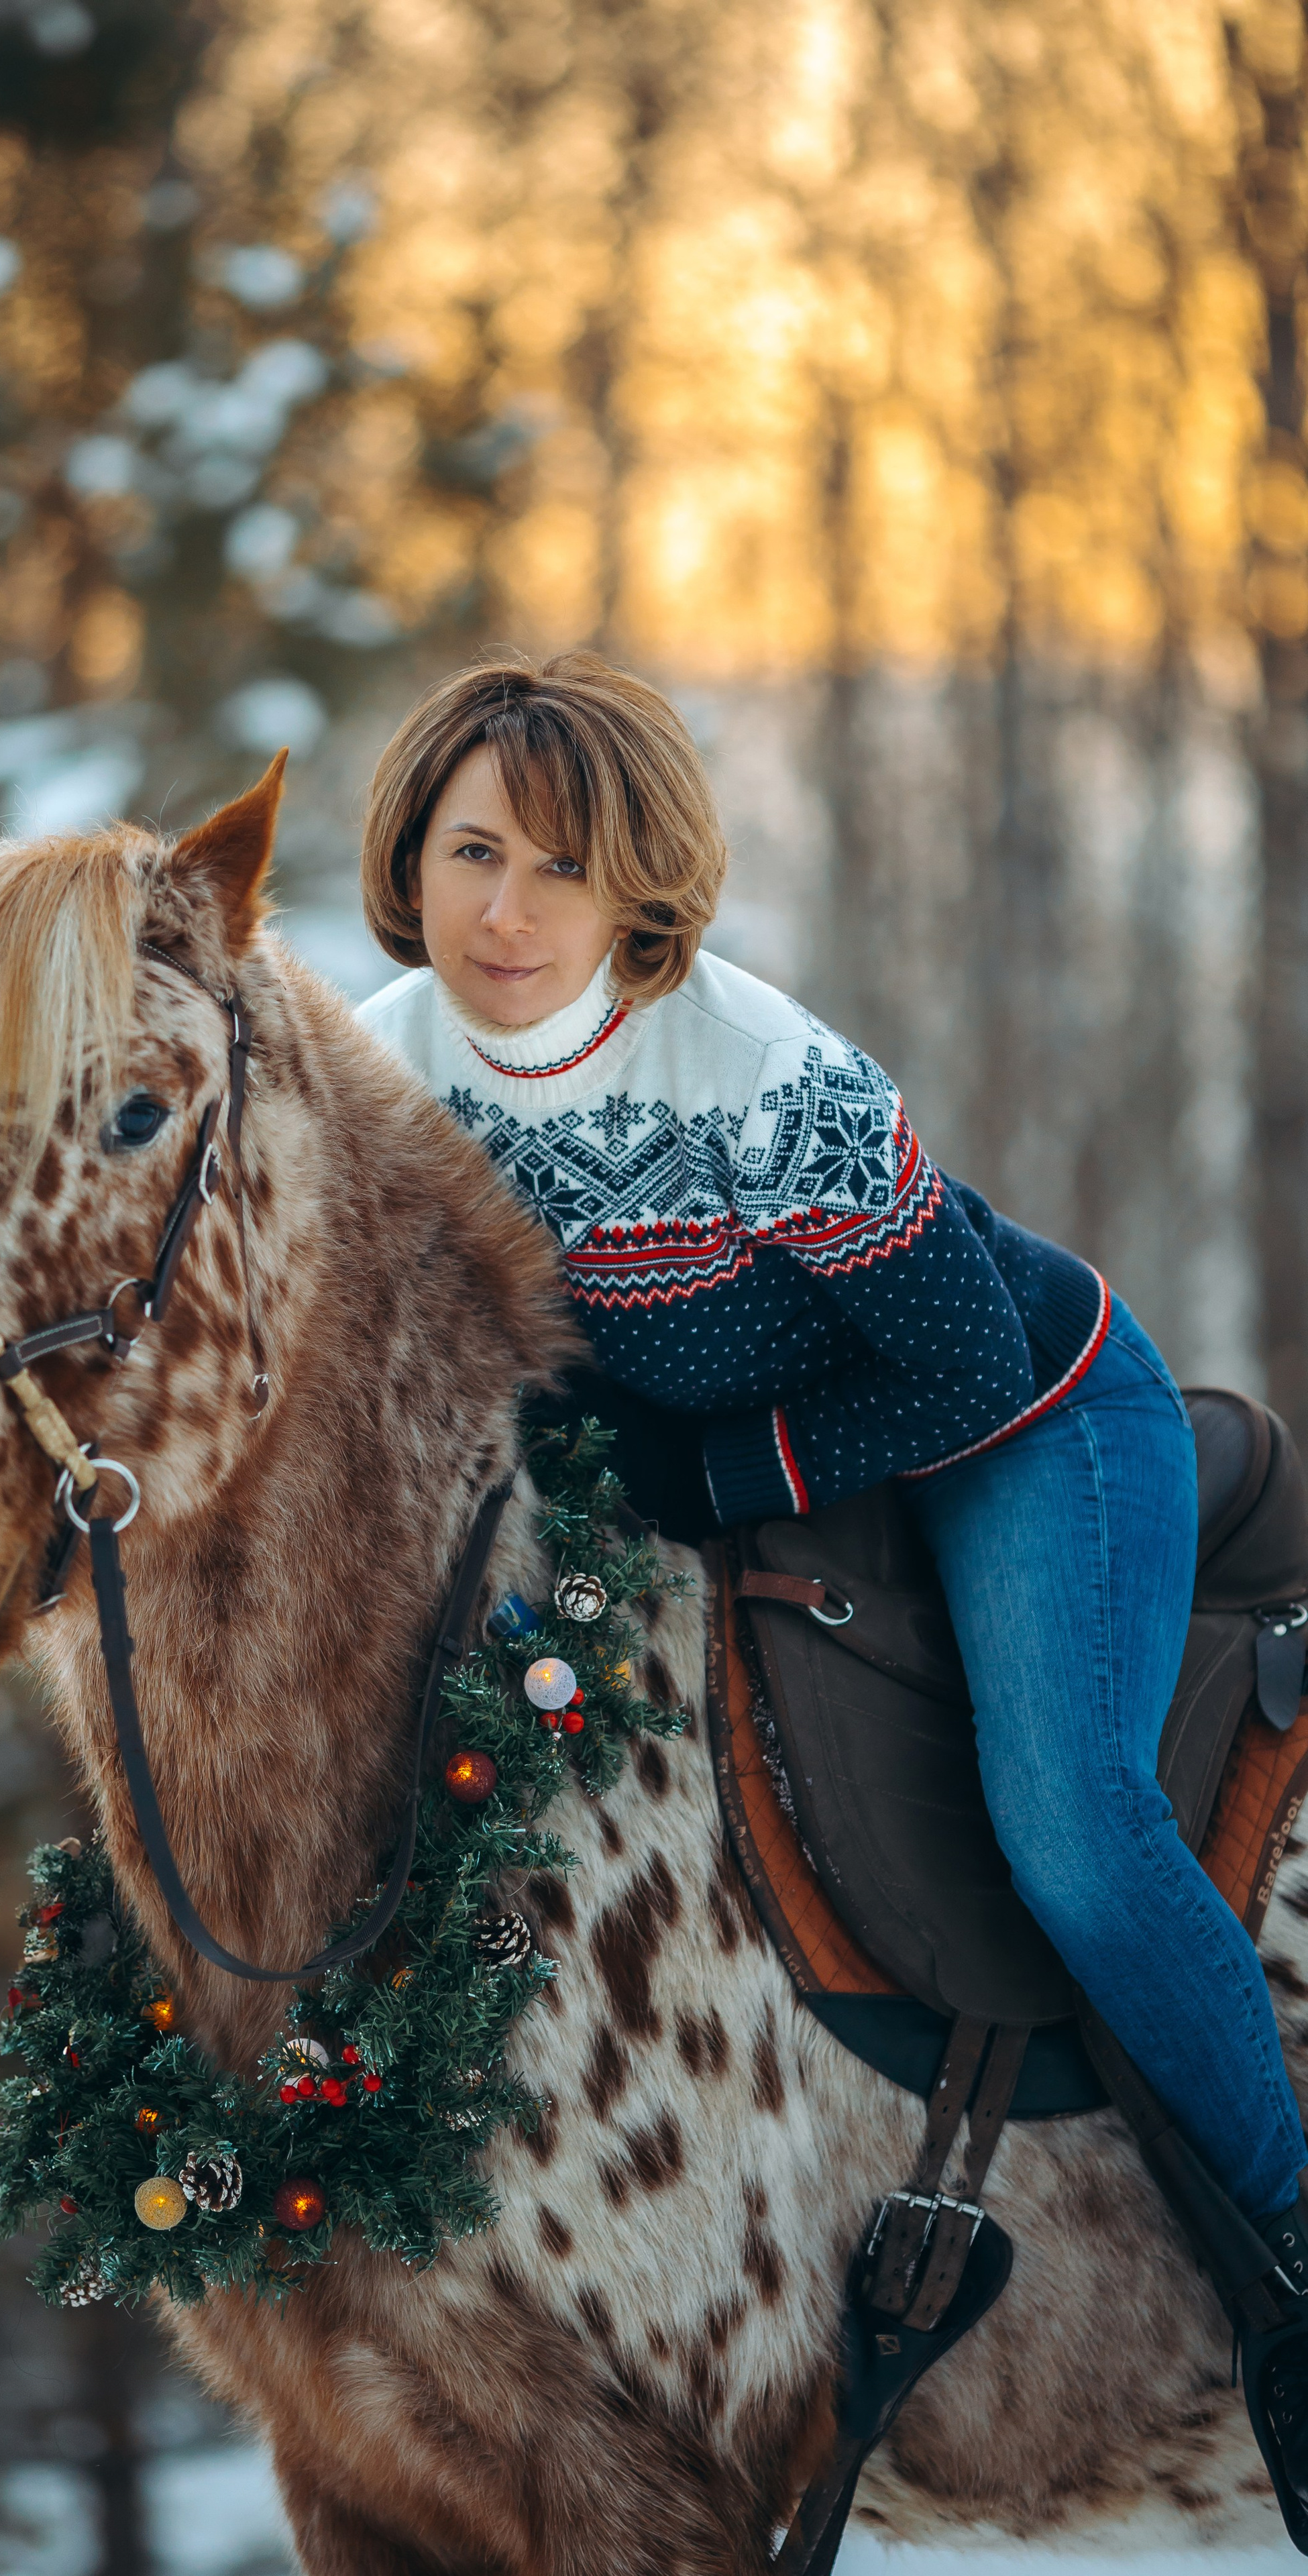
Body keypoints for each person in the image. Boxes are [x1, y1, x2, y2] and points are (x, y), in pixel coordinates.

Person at [353, 645, 1308, 2508]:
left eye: (561, 865)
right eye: (472, 851)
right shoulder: (377, 1075)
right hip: (744, 1480)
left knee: (1076, 1835)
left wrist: (715, 1476)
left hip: (1020, 1418)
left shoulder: (756, 1073)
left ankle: (1290, 2263)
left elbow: (951, 1363)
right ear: (412, 852)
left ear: (641, 888)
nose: (507, 910)